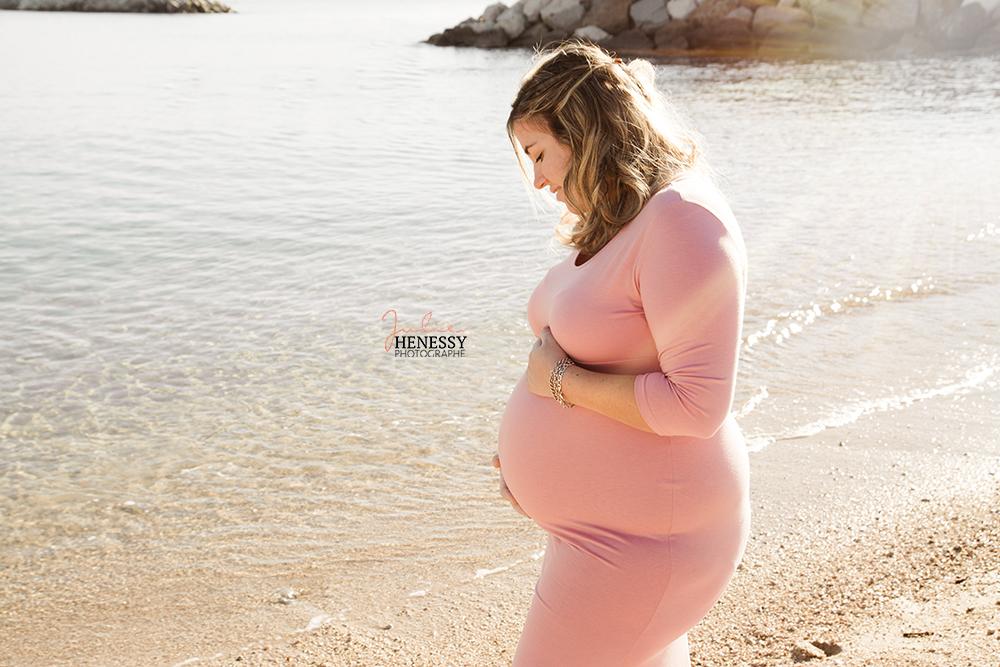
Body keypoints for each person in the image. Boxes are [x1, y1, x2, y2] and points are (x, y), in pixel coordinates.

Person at [492, 40, 751, 666]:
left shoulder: (682, 219)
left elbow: (697, 406)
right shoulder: (625, 223)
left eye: (539, 154)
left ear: (582, 131)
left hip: (645, 542)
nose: (539, 180)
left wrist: (559, 384)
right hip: (608, 535)